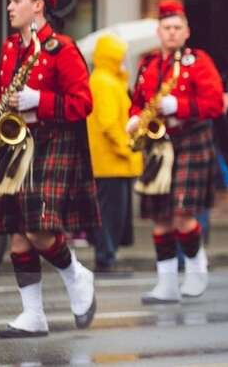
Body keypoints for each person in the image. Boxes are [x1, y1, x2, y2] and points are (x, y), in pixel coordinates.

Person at [0, 0, 99, 337]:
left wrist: (39, 101)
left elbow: (83, 103)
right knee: (16, 234)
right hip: (16, 144)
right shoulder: (11, 47)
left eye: (17, 1)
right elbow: (2, 99)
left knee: (38, 229)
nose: (10, 7)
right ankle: (33, 314)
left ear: (38, 6)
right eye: (10, 1)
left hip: (51, 142)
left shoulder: (62, 49)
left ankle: (77, 275)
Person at [128, 0, 224, 304]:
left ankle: (197, 269)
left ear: (186, 32)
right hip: (159, 143)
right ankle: (166, 284)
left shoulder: (199, 62)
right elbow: (138, 101)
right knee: (161, 217)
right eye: (166, 28)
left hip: (192, 138)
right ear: (158, 31)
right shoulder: (148, 64)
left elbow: (215, 104)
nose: (171, 33)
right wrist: (133, 117)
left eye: (177, 28)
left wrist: (179, 107)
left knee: (183, 213)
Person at [86, 34, 143, 275]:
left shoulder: (109, 80)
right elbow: (109, 123)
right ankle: (105, 258)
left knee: (113, 215)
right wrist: (127, 147)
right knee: (110, 215)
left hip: (112, 162)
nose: (123, 60)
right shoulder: (103, 82)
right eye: (119, 55)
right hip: (109, 162)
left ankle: (107, 257)